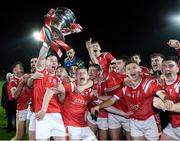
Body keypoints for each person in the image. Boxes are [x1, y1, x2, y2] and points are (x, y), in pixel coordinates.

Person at [92, 61, 165, 140]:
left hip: (150, 121)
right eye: (129, 69)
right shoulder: (124, 88)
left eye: (134, 67)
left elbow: (162, 93)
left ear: (140, 70)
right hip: (134, 121)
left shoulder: (148, 83)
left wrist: (167, 100)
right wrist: (98, 106)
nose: (131, 70)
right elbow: (112, 100)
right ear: (126, 73)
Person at [38, 68, 97, 141]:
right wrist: (43, 109)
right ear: (75, 77)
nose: (81, 74)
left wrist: (98, 107)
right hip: (70, 127)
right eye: (79, 73)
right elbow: (51, 90)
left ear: (88, 76)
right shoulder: (71, 86)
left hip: (84, 127)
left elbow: (102, 100)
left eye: (84, 72)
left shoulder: (90, 92)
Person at [30, 42, 66, 140]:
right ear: (45, 63)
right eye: (51, 60)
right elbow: (41, 55)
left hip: (56, 114)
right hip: (42, 115)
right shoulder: (41, 72)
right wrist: (47, 42)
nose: (54, 62)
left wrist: (63, 92)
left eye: (56, 61)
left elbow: (61, 101)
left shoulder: (59, 80)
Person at [153, 56, 180, 140]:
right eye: (164, 66)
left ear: (178, 69)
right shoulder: (159, 83)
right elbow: (162, 94)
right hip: (174, 125)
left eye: (171, 66)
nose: (167, 69)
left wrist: (164, 106)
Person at [10, 62, 32, 140]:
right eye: (19, 67)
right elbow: (14, 95)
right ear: (14, 70)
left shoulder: (26, 76)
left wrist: (29, 76)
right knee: (19, 137)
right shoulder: (13, 81)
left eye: (22, 67)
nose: (21, 68)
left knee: (31, 134)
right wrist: (21, 83)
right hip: (22, 109)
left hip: (32, 108)